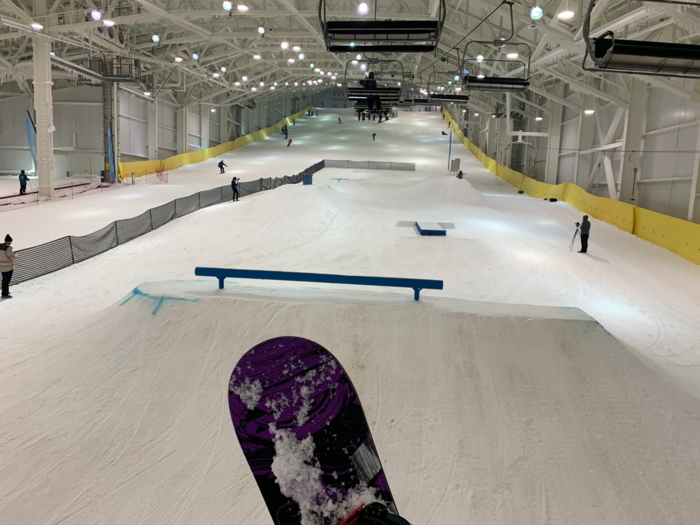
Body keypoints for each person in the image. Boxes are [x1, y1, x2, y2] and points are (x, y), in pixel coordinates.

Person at [1, 234, 14, 299]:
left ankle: (6, 291)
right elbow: (11, 257)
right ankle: (5, 294)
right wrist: (16, 255)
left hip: (1, 266)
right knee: (6, 280)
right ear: (10, 241)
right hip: (8, 267)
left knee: (4, 280)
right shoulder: (8, 248)